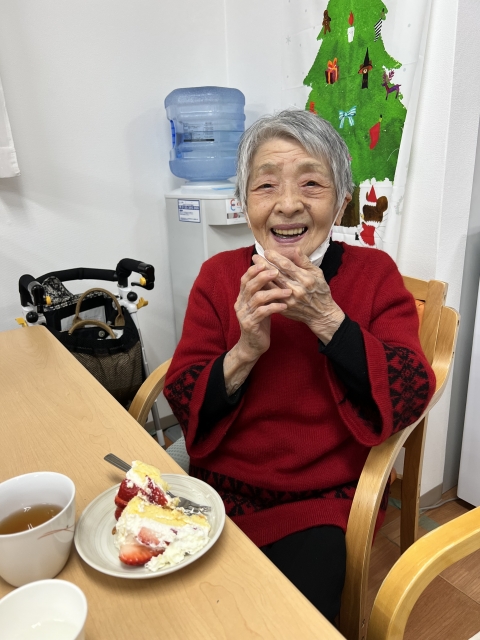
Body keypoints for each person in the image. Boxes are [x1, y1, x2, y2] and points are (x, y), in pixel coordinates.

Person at [164, 109, 435, 624]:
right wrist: (245, 350)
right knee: (181, 615)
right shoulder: (218, 276)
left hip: (323, 498)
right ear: (245, 202)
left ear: (342, 200)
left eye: (312, 183)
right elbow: (182, 393)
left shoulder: (375, 274)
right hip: (218, 489)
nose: (288, 204)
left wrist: (328, 320)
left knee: (291, 622)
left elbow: (410, 390)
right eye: (266, 185)